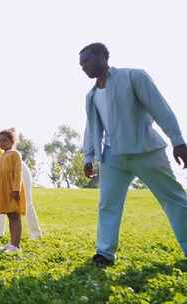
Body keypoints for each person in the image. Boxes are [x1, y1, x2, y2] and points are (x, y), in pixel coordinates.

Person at [79, 42, 187, 267]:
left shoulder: (134, 77)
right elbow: (92, 126)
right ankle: (104, 253)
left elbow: (161, 109)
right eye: (80, 63)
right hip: (112, 158)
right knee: (107, 205)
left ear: (103, 57)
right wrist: (88, 156)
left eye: (86, 60)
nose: (82, 66)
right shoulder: (90, 96)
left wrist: (178, 141)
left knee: (174, 199)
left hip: (146, 151)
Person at [0, 128, 26, 253]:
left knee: (14, 215)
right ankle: (12, 243)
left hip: (12, 189)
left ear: (12, 141)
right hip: (4, 189)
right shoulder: (2, 155)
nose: (1, 143)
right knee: (9, 215)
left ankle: (16, 246)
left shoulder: (15, 154)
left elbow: (18, 172)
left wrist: (16, 189)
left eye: (4, 140)